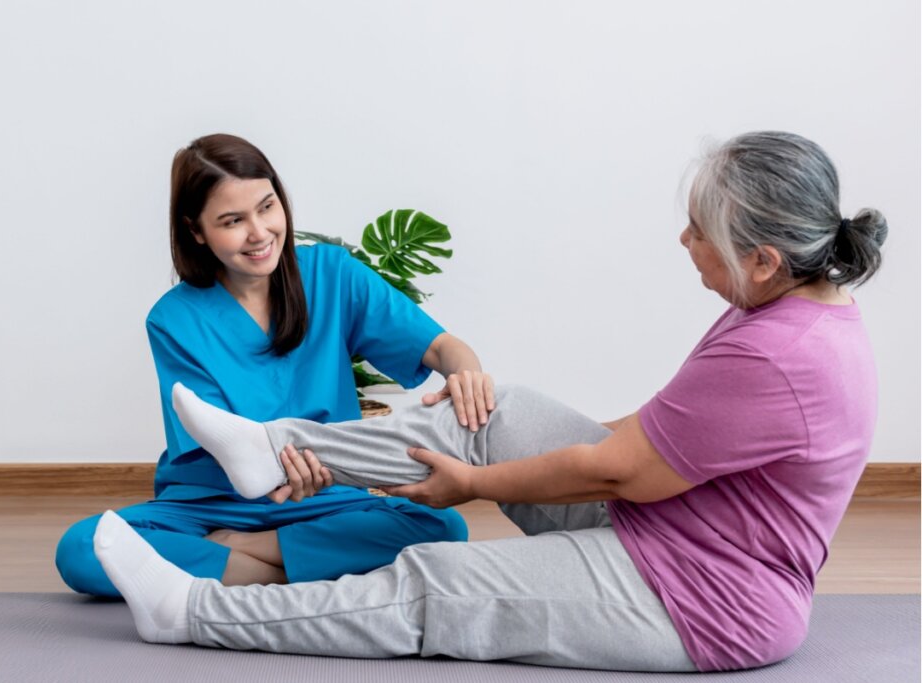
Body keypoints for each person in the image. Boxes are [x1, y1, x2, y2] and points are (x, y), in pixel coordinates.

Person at [92, 131, 887, 672]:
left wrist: (472, 486)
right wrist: (482, 447)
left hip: (702, 591)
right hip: (671, 523)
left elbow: (619, 471)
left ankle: (192, 611)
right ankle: (270, 452)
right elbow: (647, 445)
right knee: (493, 410)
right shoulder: (777, 308)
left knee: (436, 578)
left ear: (762, 258)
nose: (686, 242)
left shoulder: (776, 353)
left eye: (700, 231)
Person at [57, 133, 499, 596]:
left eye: (267, 207)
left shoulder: (333, 274)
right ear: (196, 230)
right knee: (83, 549)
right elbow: (223, 448)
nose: (260, 233)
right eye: (232, 220)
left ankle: (247, 555)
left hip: (327, 497)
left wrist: (465, 373)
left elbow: (441, 347)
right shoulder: (174, 319)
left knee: (442, 525)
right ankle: (284, 577)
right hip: (213, 504)